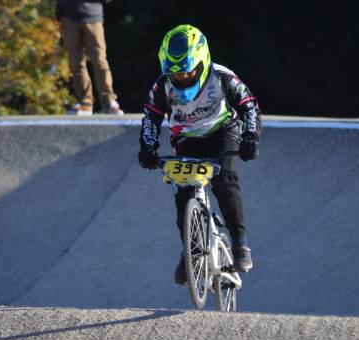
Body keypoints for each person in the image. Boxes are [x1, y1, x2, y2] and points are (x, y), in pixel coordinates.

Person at [138, 24, 261, 284]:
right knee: (184, 196)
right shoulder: (162, 86)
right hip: (186, 138)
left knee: (225, 180)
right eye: (175, 73)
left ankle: (240, 243)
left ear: (202, 61)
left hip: (223, 131)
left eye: (188, 71)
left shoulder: (222, 77)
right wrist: (148, 147)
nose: (182, 78)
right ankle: (191, 251)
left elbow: (249, 107)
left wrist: (251, 137)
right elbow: (151, 117)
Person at [56, 0, 124, 115]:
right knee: (75, 63)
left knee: (99, 60)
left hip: (92, 16)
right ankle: (85, 103)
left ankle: (109, 101)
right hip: (68, 17)